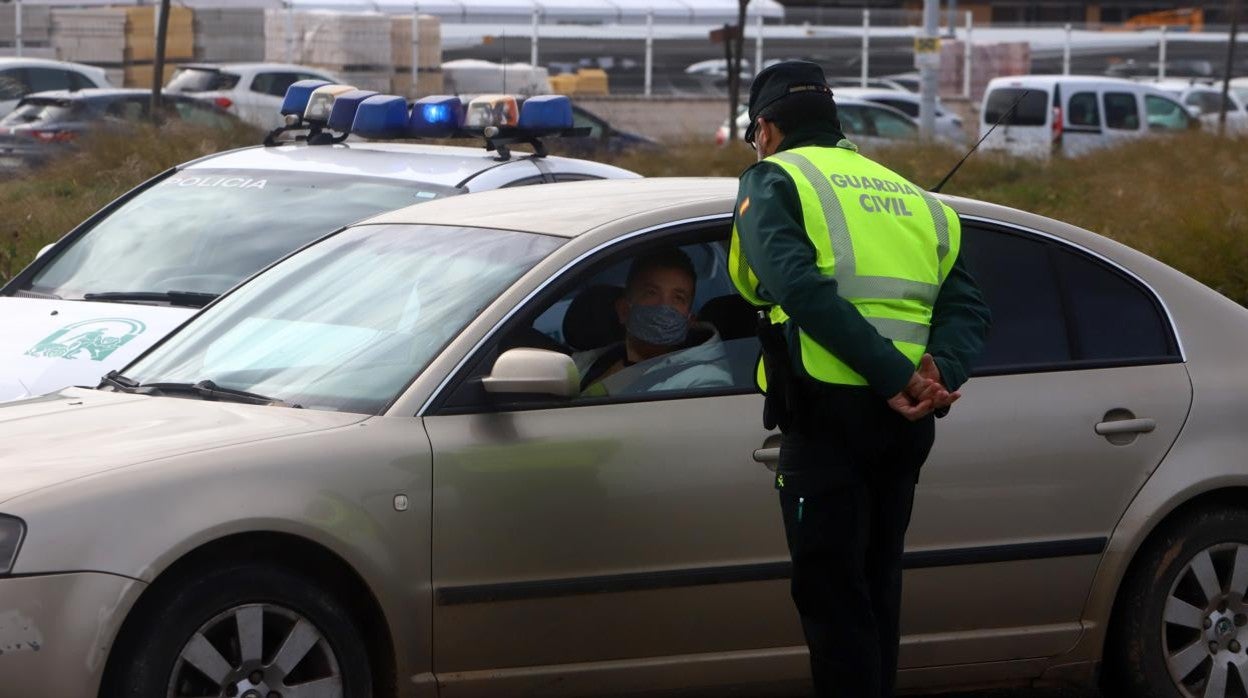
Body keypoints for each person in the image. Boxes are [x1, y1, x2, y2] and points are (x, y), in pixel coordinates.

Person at [728, 61, 991, 697]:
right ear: (833, 119)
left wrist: (893, 377)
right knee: (876, 591)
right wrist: (935, 375)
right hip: (906, 427)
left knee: (832, 599)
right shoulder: (915, 200)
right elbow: (968, 310)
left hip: (827, 416)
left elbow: (797, 287)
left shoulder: (775, 179)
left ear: (765, 129)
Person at [574, 247, 733, 396]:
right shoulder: (594, 362)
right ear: (624, 310)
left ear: (689, 321)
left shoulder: (705, 381)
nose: (664, 305)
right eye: (651, 293)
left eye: (678, 298)